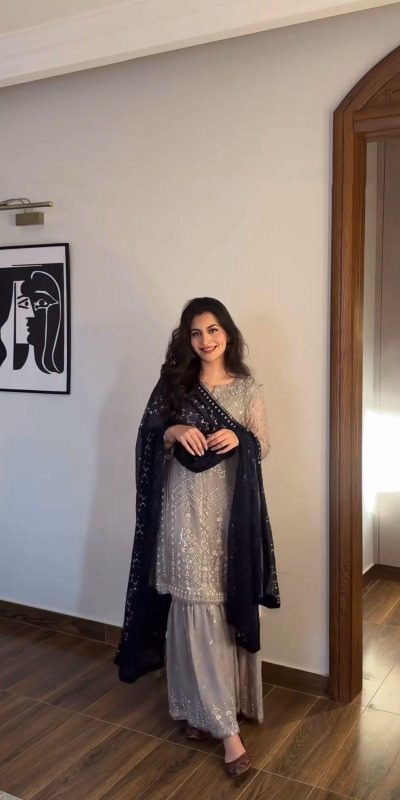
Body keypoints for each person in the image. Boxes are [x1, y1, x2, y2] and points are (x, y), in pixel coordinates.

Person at [114, 296, 280, 778]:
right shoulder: (174, 387)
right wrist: (173, 431)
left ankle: (203, 709)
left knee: (221, 607)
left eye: (213, 330)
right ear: (186, 339)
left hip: (230, 516)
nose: (205, 340)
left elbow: (263, 444)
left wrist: (242, 439)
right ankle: (224, 730)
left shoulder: (247, 389)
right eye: (195, 333)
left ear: (228, 333)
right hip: (182, 513)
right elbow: (148, 436)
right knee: (193, 608)